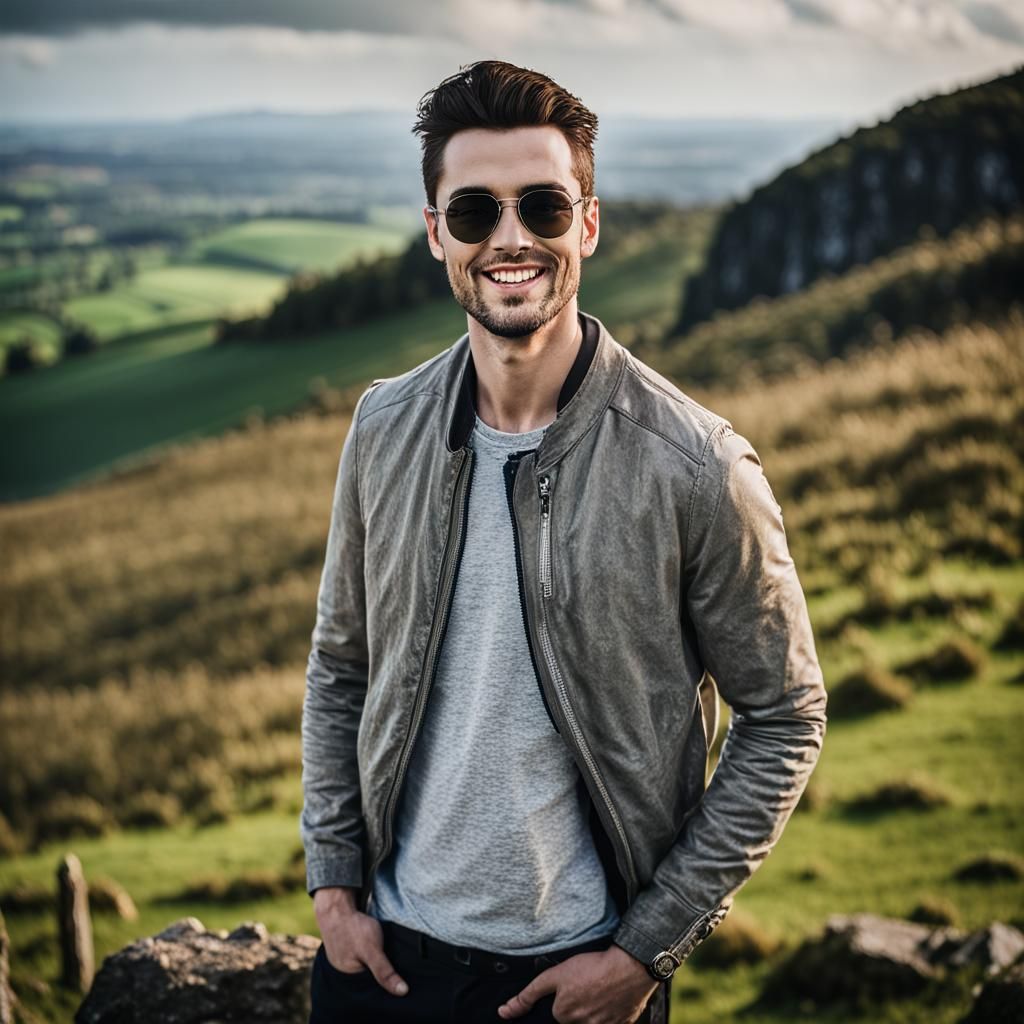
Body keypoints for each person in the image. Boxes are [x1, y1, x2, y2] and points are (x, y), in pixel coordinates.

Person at [300, 59, 827, 1024]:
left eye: (542, 206)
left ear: (587, 221)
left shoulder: (698, 467)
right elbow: (342, 664)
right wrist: (334, 889)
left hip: (579, 986)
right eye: (474, 213)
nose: (510, 239)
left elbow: (786, 717)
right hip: (380, 969)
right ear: (436, 236)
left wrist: (644, 951)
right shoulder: (383, 428)